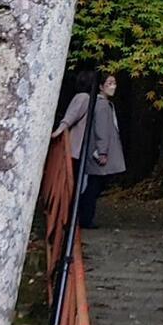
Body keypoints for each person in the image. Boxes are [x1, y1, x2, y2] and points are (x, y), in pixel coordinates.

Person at [55, 71, 126, 225]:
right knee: (94, 184)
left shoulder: (98, 103)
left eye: (114, 83)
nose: (113, 87)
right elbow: (101, 128)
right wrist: (102, 151)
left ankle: (80, 215)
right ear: (100, 86)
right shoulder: (98, 104)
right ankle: (84, 217)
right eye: (109, 83)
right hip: (91, 150)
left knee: (92, 183)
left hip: (90, 149)